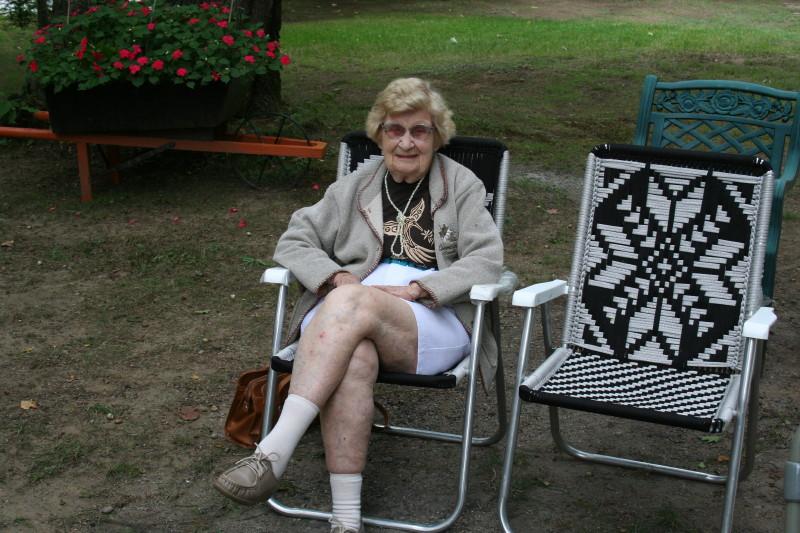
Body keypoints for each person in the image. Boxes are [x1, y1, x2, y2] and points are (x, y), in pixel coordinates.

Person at [213, 77, 503, 533]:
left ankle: (272, 452)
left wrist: (420, 288)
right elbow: (294, 241)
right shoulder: (355, 186)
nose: (406, 142)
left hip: (430, 322)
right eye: (395, 130)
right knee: (354, 359)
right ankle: (346, 519)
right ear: (379, 135)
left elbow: (487, 260)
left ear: (437, 136)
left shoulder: (461, 185)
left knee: (351, 303)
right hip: (348, 317)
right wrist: (336, 277)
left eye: (420, 131)